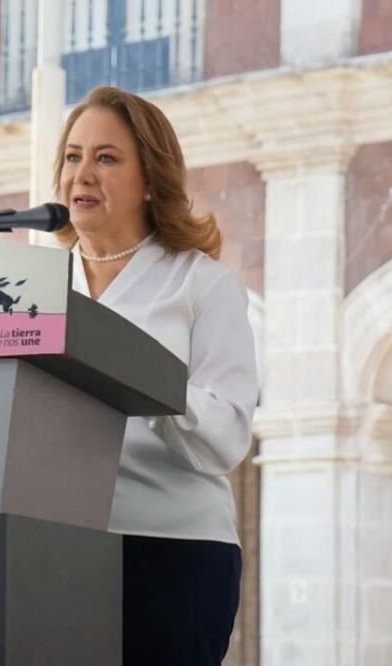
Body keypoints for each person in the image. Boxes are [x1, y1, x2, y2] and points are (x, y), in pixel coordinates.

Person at [54, 86, 258, 665]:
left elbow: (226, 437)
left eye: (106, 158)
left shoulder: (201, 285)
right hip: (52, 548)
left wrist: (136, 372)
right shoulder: (36, 286)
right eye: (73, 157)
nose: (82, 174)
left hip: (175, 556)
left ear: (150, 179)